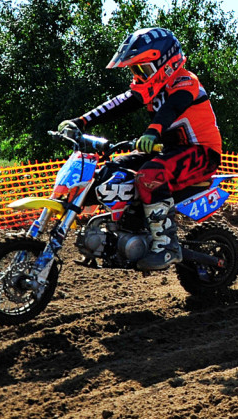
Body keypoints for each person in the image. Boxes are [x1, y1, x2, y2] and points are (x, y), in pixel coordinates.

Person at [58, 28, 222, 270]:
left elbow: (171, 110)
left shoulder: (186, 81)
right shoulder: (149, 87)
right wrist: (81, 121)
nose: (137, 75)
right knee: (113, 168)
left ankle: (166, 246)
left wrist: (152, 132)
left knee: (150, 175)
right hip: (166, 149)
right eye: (134, 69)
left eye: (142, 69)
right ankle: (123, 227)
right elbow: (118, 103)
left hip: (202, 153)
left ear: (165, 63)